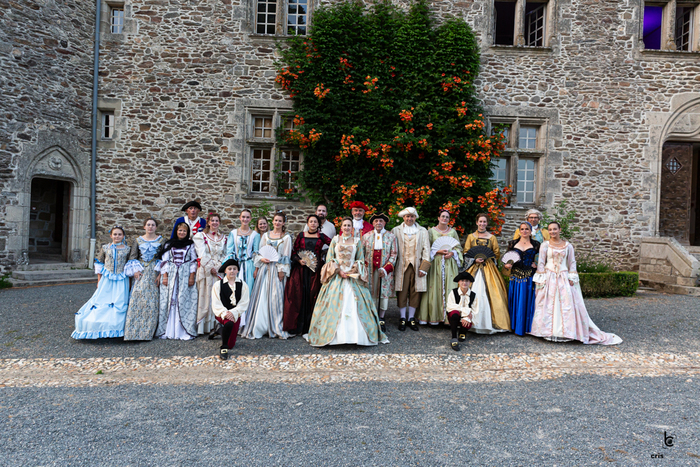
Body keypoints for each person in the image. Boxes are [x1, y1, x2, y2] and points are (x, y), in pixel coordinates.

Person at [529, 222, 622, 345]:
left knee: (566, 303)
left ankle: (566, 332)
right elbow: (541, 262)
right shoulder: (545, 245)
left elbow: (572, 262)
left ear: (559, 230)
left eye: (555, 229)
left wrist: (572, 277)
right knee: (547, 303)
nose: (552, 232)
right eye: (550, 230)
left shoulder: (568, 246)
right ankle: (547, 331)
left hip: (563, 277)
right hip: (549, 276)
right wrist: (541, 278)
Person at [306, 217, 388, 346]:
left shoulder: (357, 241)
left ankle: (356, 337)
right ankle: (335, 336)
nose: (346, 228)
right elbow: (330, 259)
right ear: (341, 227)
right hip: (337, 277)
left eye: (349, 225)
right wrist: (339, 271)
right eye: (344, 225)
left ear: (352, 228)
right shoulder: (335, 240)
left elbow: (360, 259)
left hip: (352, 276)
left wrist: (353, 270)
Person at [72, 225, 140, 339]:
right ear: (111, 235)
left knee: (119, 302)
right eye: (115, 234)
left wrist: (128, 282)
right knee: (102, 300)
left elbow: (129, 267)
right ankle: (100, 327)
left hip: (121, 279)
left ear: (123, 236)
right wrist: (99, 280)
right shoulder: (105, 248)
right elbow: (100, 264)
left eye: (119, 234)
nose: (117, 236)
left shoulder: (127, 249)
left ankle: (117, 329)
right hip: (107, 279)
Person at [242, 212, 291, 339]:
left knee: (276, 297)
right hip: (264, 269)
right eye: (276, 220)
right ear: (273, 222)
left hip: (276, 269)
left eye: (280, 221)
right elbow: (258, 252)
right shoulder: (265, 236)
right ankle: (260, 325)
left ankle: (275, 326)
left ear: (283, 223)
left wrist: (282, 270)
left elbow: (286, 256)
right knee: (261, 296)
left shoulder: (286, 238)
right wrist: (259, 263)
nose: (277, 223)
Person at [283, 214, 332, 335]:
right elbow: (294, 251)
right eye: (311, 222)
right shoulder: (301, 235)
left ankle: (311, 326)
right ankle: (298, 326)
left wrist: (323, 254)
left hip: (315, 271)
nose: (313, 224)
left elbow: (334, 245)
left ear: (318, 224)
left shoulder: (321, 236)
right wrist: (299, 260)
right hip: (300, 270)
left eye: (315, 222)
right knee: (299, 295)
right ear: (307, 223)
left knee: (313, 295)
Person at [463, 213, 511, 334]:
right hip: (474, 268)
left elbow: (496, 253)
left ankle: (490, 323)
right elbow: (466, 252)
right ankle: (470, 322)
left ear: (487, 223)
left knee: (492, 294)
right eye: (480, 221)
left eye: (484, 222)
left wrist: (488, 258)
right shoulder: (471, 237)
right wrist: (474, 259)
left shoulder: (492, 238)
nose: (482, 224)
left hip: (488, 268)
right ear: (476, 223)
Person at [417, 210, 463, 326]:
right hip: (435, 263)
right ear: (438, 218)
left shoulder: (452, 232)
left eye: (447, 217)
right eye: (443, 216)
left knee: (450, 288)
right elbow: (426, 247)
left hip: (449, 264)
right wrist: (437, 251)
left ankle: (449, 318)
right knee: (434, 288)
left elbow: (459, 248)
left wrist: (453, 253)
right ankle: (434, 317)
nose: (445, 218)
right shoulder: (431, 232)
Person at [123, 218, 165, 341]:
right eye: (148, 225)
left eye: (153, 225)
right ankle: (133, 332)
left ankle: (148, 332)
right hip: (141, 270)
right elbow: (133, 256)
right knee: (137, 296)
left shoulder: (162, 240)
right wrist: (135, 270)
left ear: (156, 227)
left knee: (152, 300)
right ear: (144, 227)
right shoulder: (138, 240)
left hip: (154, 270)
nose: (150, 227)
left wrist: (160, 274)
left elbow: (164, 258)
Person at [155, 222, 198, 340]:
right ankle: (168, 330)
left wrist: (191, 276)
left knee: (183, 300)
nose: (182, 233)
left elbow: (193, 261)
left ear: (187, 233)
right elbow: (164, 261)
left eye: (184, 231)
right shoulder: (169, 244)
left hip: (184, 274)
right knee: (170, 301)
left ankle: (182, 330)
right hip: (172, 274)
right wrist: (165, 276)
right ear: (176, 231)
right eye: (180, 231)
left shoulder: (190, 244)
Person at [391, 207, 431, 331]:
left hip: (417, 265)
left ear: (415, 218)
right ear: (403, 217)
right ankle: (402, 318)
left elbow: (426, 249)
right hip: (401, 266)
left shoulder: (422, 231)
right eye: (407, 216)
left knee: (415, 291)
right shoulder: (396, 230)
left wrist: (424, 267)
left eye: (412, 216)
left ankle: (411, 318)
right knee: (402, 290)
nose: (409, 219)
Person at [361, 212, 397, 333]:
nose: (378, 223)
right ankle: (371, 316)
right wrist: (364, 266)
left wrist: (385, 269)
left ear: (385, 223)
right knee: (371, 291)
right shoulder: (366, 236)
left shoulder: (391, 236)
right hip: (370, 269)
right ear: (373, 223)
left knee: (383, 293)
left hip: (383, 270)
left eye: (381, 221)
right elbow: (361, 253)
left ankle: (381, 318)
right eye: (376, 221)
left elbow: (394, 254)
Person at [224, 209, 260, 330]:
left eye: (247, 217)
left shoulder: (255, 235)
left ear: (250, 219)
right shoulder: (233, 233)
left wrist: (256, 268)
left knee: (247, 293)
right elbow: (229, 251)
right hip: (236, 266)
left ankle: (246, 323)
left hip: (249, 266)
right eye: (243, 217)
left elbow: (256, 253)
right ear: (240, 218)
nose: (245, 219)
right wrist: (229, 268)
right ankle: (234, 322)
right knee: (234, 293)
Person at [193, 212, 227, 336]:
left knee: (218, 297)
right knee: (206, 297)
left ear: (219, 222)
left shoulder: (224, 238)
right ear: (208, 222)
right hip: (206, 270)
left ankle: (217, 324)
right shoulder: (200, 236)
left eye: (217, 221)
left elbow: (224, 254)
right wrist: (210, 267)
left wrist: (218, 267)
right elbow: (201, 253)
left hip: (219, 271)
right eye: (212, 220)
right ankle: (205, 326)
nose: (214, 223)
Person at [503, 222, 540, 336]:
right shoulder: (513, 243)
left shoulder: (536, 244)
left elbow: (544, 259)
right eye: (522, 229)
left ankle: (525, 327)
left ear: (530, 231)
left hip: (529, 276)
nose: (524, 231)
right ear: (519, 231)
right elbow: (506, 260)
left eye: (527, 229)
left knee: (526, 301)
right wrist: (506, 265)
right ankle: (514, 326)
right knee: (515, 300)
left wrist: (537, 265)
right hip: (515, 276)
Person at [211, 259, 250, 360]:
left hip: (236, 314)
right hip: (221, 313)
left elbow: (243, 303)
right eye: (229, 269)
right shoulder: (217, 285)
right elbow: (216, 302)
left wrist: (233, 312)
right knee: (229, 323)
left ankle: (220, 330)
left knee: (231, 344)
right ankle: (223, 348)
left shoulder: (243, 285)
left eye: (234, 269)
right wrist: (225, 313)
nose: (232, 271)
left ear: (237, 271)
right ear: (225, 271)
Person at [445, 271, 477, 351]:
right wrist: (465, 311)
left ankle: (463, 332)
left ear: (470, 282)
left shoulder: (473, 295)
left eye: (466, 281)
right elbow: (450, 306)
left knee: (469, 317)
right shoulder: (453, 292)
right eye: (462, 281)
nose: (464, 283)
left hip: (466, 318)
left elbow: (475, 310)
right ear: (459, 282)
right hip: (455, 317)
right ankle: (454, 338)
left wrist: (466, 318)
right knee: (454, 313)